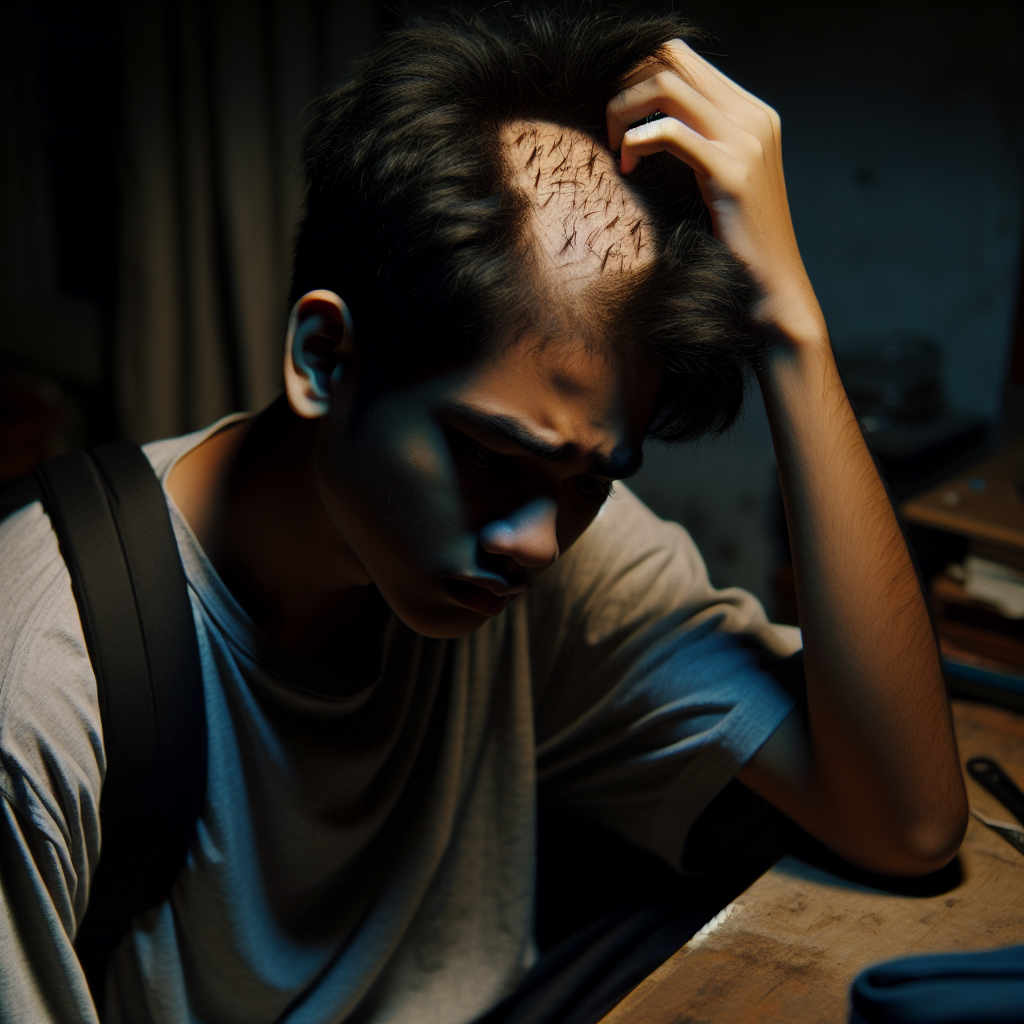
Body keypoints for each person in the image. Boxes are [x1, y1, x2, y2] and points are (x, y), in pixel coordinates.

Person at [0, 6, 968, 1023]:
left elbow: (906, 821)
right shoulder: (46, 689)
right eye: (487, 456)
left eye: (590, 480)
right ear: (325, 358)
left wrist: (791, 322)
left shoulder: (541, 551)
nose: (538, 543)